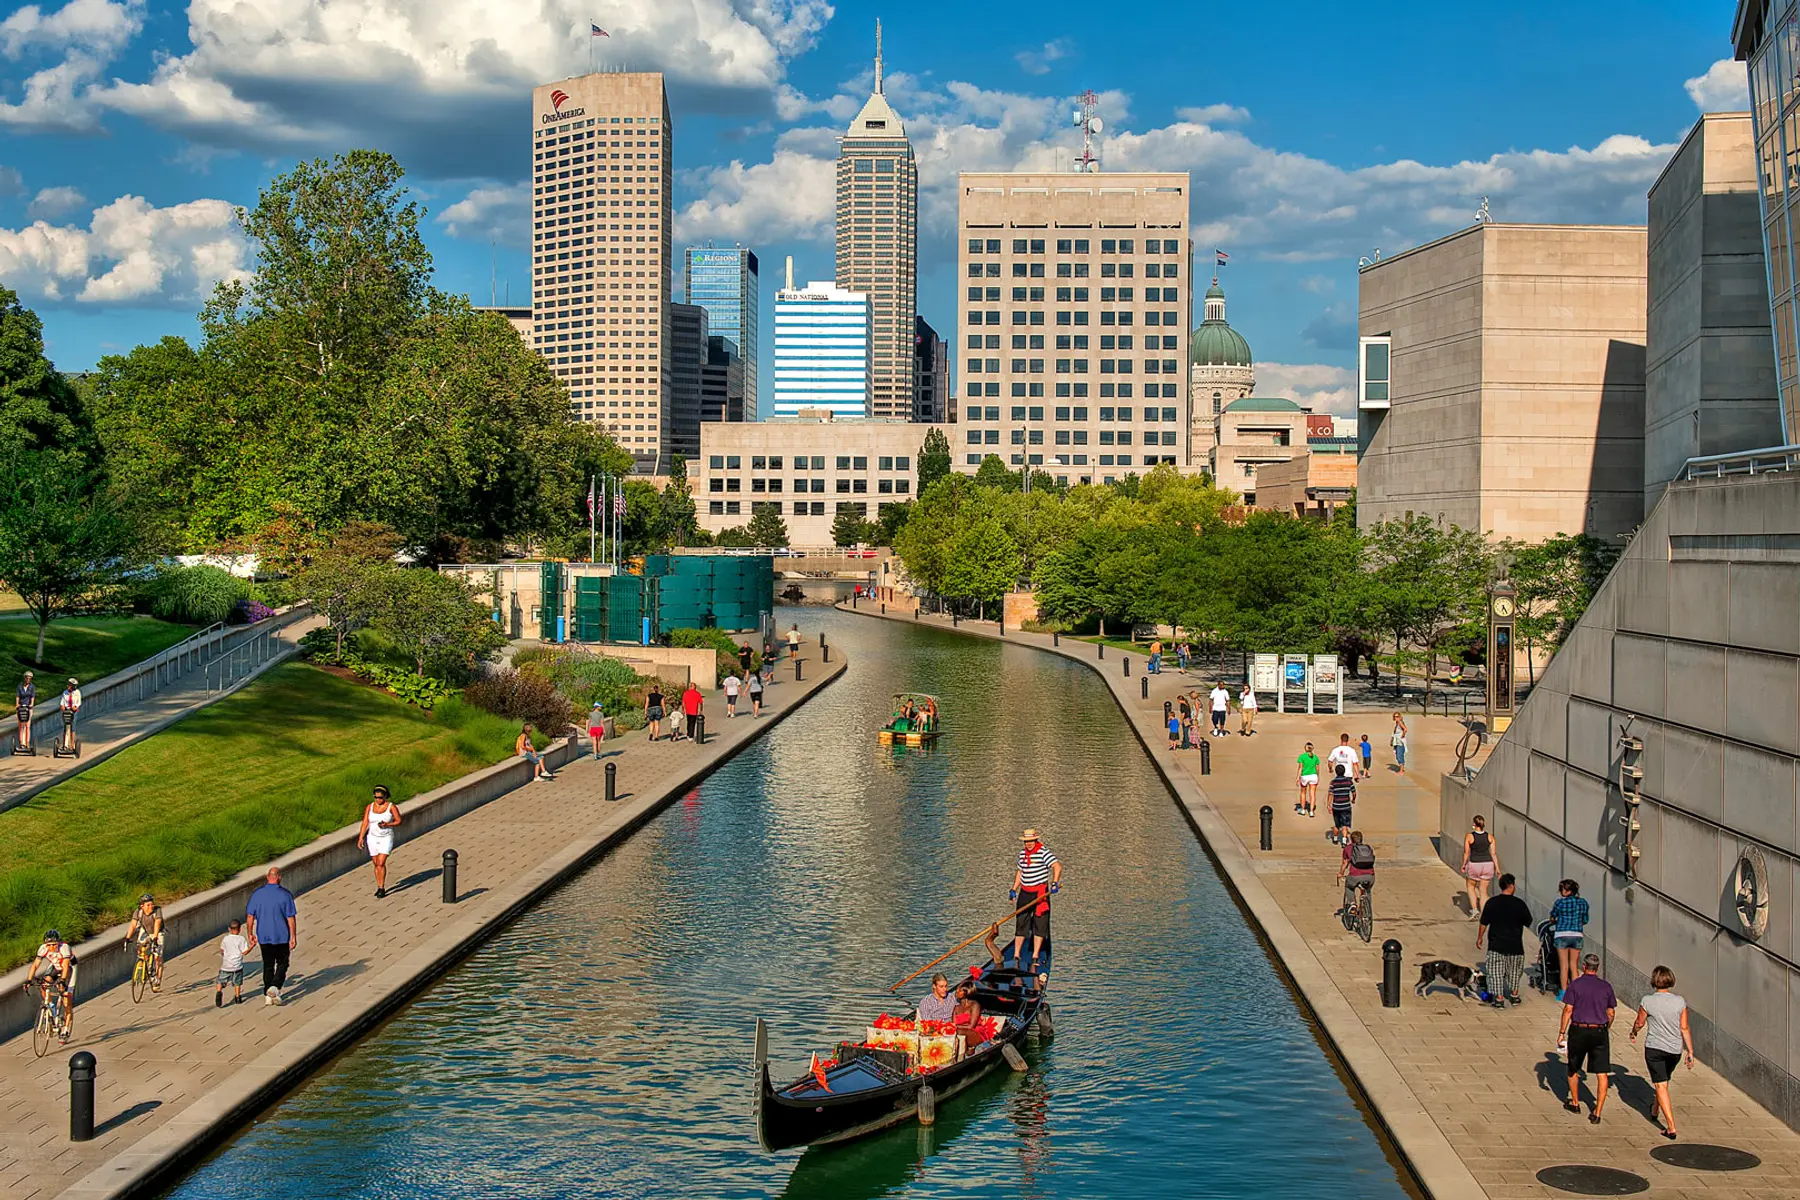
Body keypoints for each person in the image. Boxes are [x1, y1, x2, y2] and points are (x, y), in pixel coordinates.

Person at [1629, 965, 1694, 1139]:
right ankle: (1655, 1108)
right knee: (1663, 1081)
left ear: (1654, 981)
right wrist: (1690, 1051)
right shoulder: (1680, 1001)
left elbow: (1639, 1023)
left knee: (1660, 1084)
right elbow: (1684, 1027)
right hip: (1674, 1050)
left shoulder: (1647, 1001)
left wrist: (1633, 1032)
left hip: (1655, 1048)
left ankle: (1671, 1127)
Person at [1558, 953, 1618, 1122]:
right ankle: (1597, 1112)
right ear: (1597, 968)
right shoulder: (1606, 987)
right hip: (1599, 1031)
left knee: (1573, 1067)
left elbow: (1568, 1010)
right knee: (1602, 1072)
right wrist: (1607, 1026)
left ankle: (1575, 1103)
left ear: (1584, 966)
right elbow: (1611, 1012)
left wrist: (1562, 1032)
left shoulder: (1576, 985)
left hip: (1579, 1030)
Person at [1010, 828, 1062, 976]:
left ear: (1035, 840)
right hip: (1025, 892)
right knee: (1021, 922)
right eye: (1026, 842)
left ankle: (1035, 956)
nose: (1029, 844)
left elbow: (1057, 866)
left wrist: (1055, 882)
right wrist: (1014, 889)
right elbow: (1020, 872)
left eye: (1031, 841)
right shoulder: (1022, 854)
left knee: (1040, 923)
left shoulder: (1043, 852)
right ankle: (1016, 954)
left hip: (1040, 893)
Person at [1476, 873, 1532, 1009]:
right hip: (1515, 945)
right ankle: (1514, 995)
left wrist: (1480, 938)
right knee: (1514, 971)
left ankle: (1499, 998)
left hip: (1496, 944)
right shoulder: (1519, 904)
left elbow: (1484, 922)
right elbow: (1528, 921)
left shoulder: (1492, 902)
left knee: (1495, 972)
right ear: (1512, 886)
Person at [245, 865, 298, 1005]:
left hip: (264, 936)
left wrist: (249, 933)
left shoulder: (257, 894)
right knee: (283, 963)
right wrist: (293, 936)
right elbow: (290, 918)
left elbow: (250, 917)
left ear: (268, 877)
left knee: (268, 965)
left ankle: (268, 995)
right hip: (281, 936)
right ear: (279, 877)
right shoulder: (285, 895)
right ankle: (275, 986)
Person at [28, 929, 76, 1042]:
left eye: (54, 944)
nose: (51, 947)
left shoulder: (64, 948)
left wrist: (63, 980)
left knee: (66, 998)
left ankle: (65, 1029)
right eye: (49, 945)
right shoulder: (43, 948)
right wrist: (29, 980)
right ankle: (50, 1006)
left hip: (69, 969)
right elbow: (35, 965)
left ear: (58, 943)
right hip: (55, 966)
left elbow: (65, 966)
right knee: (44, 984)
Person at [358, 785, 402, 898]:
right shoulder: (370, 807)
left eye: (380, 797)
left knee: (381, 862)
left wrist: (387, 824)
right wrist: (361, 837)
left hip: (386, 837)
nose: (378, 800)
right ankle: (379, 886)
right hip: (372, 838)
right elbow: (365, 822)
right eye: (376, 797)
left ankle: (382, 888)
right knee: (376, 864)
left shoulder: (391, 807)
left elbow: (398, 821)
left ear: (385, 797)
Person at [1551, 879, 1591, 1000]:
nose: (1562, 891)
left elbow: (1553, 916)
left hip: (1561, 934)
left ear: (1568, 890)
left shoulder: (1559, 903)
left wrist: (1555, 921)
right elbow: (1585, 920)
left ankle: (1563, 992)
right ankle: (1576, 993)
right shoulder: (1583, 903)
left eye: (1563, 889)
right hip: (1577, 934)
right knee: (1574, 965)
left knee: (1564, 965)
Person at [122, 893, 166, 993]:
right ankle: (144, 963)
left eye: (152, 904)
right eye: (148, 905)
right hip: (145, 931)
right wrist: (127, 938)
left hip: (158, 932)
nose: (151, 906)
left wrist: (155, 937)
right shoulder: (138, 913)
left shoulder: (157, 910)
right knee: (141, 946)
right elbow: (133, 925)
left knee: (157, 957)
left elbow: (157, 923)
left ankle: (157, 980)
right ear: (142, 906)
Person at [1461, 815, 1498, 920]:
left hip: (1474, 864)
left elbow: (1466, 852)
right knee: (1483, 891)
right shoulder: (1490, 837)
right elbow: (1494, 854)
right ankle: (1485, 914)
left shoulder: (1470, 836)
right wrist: (1497, 868)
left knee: (1471, 887)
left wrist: (1464, 864)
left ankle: (1474, 910)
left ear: (1474, 824)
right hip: (1488, 865)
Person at [1337, 830, 1374, 917]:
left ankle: (1353, 904)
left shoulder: (1348, 849)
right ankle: (1367, 909)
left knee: (1349, 887)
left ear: (1351, 839)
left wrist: (1340, 873)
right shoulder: (1368, 848)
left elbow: (1345, 863)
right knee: (1367, 890)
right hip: (1370, 875)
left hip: (1355, 876)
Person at [216, 918, 250, 1007]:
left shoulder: (225, 939)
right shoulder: (241, 939)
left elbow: (222, 950)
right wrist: (252, 946)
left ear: (229, 929)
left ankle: (219, 991)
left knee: (220, 981)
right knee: (237, 983)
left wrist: (225, 956)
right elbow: (245, 952)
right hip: (237, 966)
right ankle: (237, 997)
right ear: (239, 929)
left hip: (226, 965)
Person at [1327, 764, 1356, 845]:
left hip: (1336, 806)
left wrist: (1329, 805)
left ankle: (1335, 839)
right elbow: (1354, 792)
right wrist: (1353, 799)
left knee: (1336, 824)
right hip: (1346, 805)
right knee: (1345, 824)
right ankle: (1344, 840)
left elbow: (1330, 794)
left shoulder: (1333, 782)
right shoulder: (1349, 781)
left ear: (1336, 772)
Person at [1295, 742, 1321, 817]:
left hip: (1305, 776)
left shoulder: (1302, 757)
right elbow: (1317, 768)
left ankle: (1303, 810)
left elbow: (1300, 768)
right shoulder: (1315, 757)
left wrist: (1297, 777)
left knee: (1303, 792)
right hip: (1313, 776)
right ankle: (1311, 811)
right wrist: (1318, 777)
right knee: (1312, 794)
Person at [59, 677, 81, 751]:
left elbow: (79, 702)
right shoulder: (65, 692)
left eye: (69, 685)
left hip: (74, 712)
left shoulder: (77, 692)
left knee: (72, 727)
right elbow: (62, 701)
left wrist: (75, 706)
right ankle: (65, 745)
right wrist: (62, 706)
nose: (68, 686)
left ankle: (72, 745)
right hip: (66, 711)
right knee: (66, 727)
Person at [14, 669, 34, 750]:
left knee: (27, 725)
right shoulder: (19, 686)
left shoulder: (32, 686)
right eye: (27, 678)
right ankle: (21, 743)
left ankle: (27, 743)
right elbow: (17, 696)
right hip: (21, 707)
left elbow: (32, 697)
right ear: (24, 678)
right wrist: (17, 704)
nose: (28, 679)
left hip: (28, 708)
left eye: (30, 678)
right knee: (21, 725)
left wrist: (31, 704)